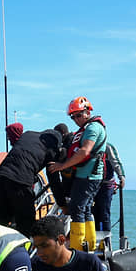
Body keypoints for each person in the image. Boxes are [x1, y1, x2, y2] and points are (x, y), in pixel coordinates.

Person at [47, 96, 107, 252]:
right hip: (85, 175)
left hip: (89, 176)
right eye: (73, 117)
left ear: (87, 112)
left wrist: (62, 166)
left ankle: (77, 247)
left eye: (78, 115)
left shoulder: (93, 128)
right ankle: (89, 243)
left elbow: (84, 151)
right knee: (85, 209)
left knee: (77, 209)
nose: (76, 119)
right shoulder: (86, 129)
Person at [0, 123, 65, 237]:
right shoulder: (52, 148)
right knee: (26, 222)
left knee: (2, 220)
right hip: (20, 181)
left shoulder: (28, 134)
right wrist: (62, 204)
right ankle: (23, 252)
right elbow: (53, 178)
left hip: (0, 177)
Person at [92, 142, 126, 234]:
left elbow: (116, 162)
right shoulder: (87, 144)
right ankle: (94, 235)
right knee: (93, 212)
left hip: (106, 184)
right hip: (92, 183)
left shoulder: (107, 147)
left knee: (104, 213)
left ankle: (106, 239)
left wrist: (121, 176)